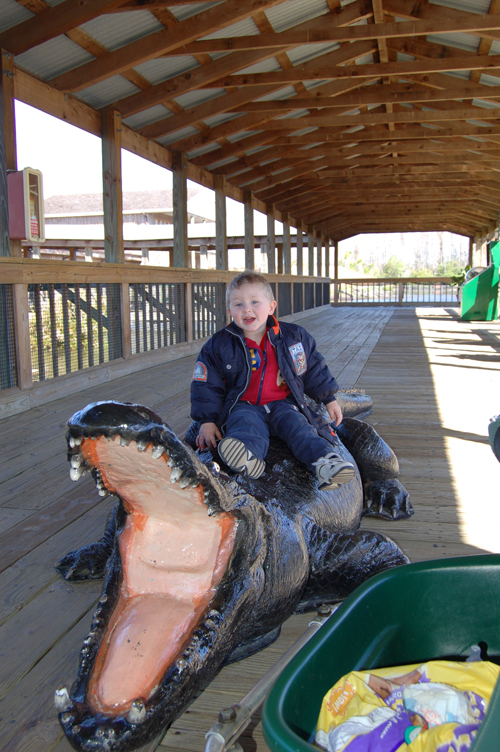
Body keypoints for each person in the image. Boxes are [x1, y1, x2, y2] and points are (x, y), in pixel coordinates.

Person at [190, 271, 355, 490]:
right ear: (230, 311)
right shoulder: (219, 345)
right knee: (245, 428)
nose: (246, 309)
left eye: (254, 302)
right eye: (238, 304)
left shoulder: (294, 337)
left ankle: (326, 464)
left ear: (271, 306)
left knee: (300, 429)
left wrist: (329, 399)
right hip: (244, 405)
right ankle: (248, 458)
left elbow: (314, 367)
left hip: (283, 404)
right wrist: (207, 421)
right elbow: (206, 385)